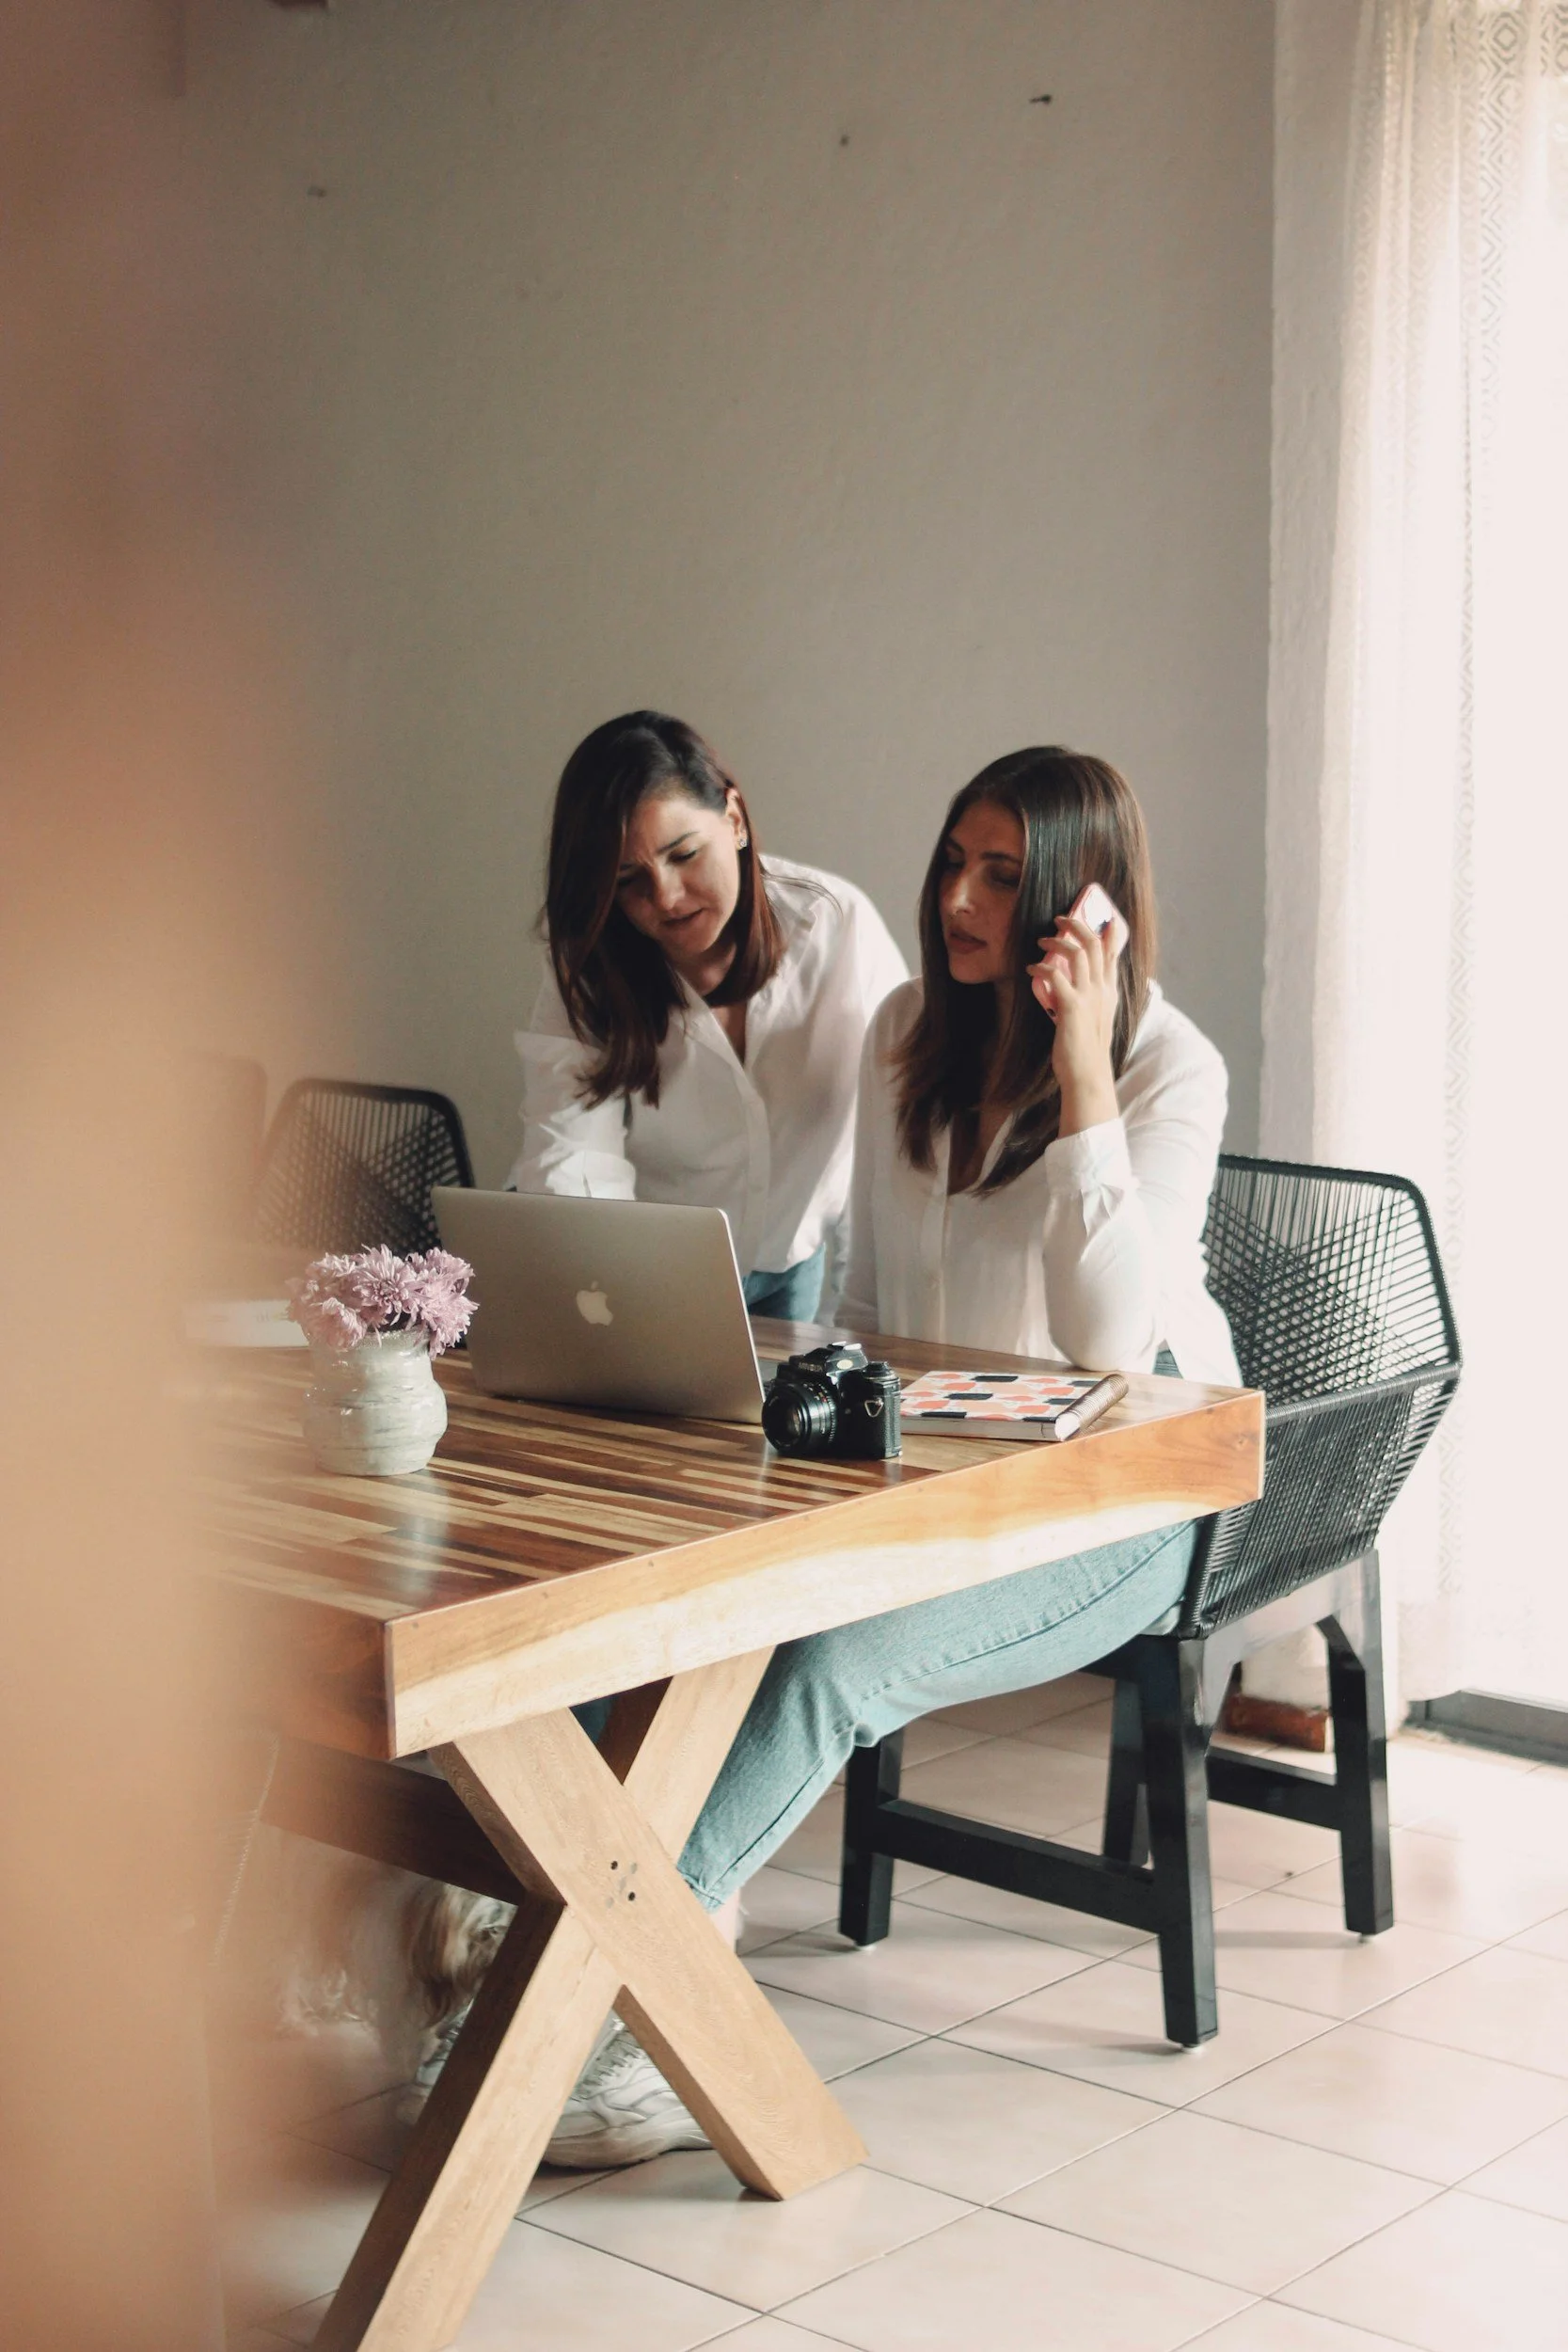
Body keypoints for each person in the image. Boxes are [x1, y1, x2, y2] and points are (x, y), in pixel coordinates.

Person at [548, 745, 1241, 2168]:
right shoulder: (906, 1031)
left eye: (1002, 875)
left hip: (1121, 1501)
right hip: (939, 1479)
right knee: (680, 1599)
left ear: (1077, 904)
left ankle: (594, 1997)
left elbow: (1110, 1345)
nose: (960, 899)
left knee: (823, 1663)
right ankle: (566, 1961)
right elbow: (867, 1314)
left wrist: (1079, 1070)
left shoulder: (1171, 1065)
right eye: (952, 862)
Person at [507, 710, 908, 1323]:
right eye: (628, 880)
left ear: (735, 819)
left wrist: (866, 1314)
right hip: (645, 1272)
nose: (665, 898)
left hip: (792, 1263)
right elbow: (571, 1160)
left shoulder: (838, 929)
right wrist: (610, 1306)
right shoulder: (592, 966)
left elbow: (894, 1135)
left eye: (684, 853)